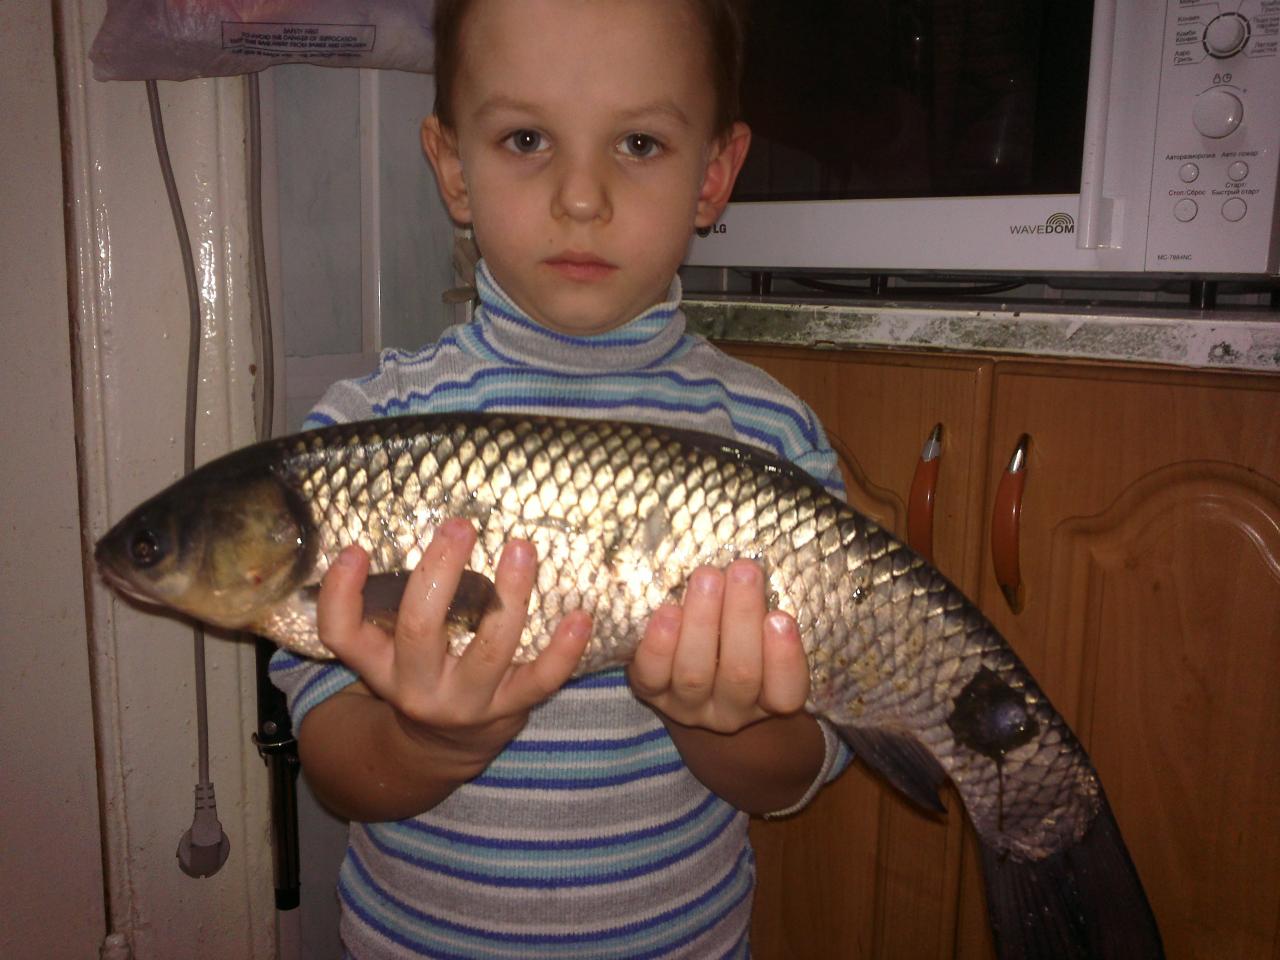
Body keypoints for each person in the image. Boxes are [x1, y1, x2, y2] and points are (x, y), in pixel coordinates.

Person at [269, 1, 852, 956]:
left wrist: (723, 726)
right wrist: (430, 743)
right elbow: (335, 769)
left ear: (714, 175)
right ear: (453, 167)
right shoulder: (354, 450)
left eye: (638, 142)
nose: (582, 197)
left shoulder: (774, 440)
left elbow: (800, 772)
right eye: (527, 139)